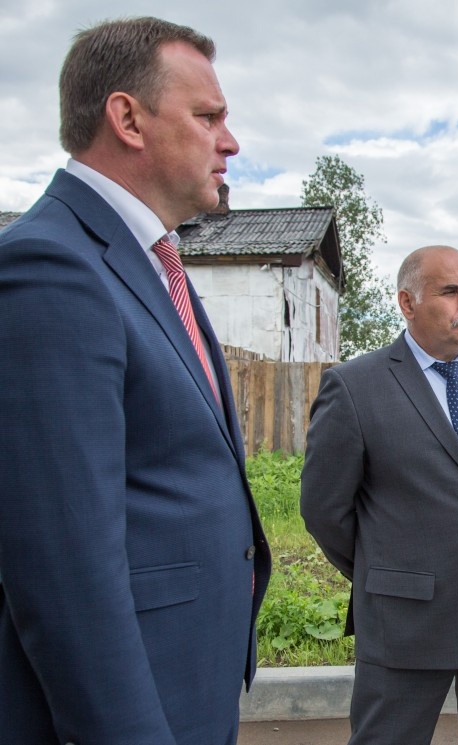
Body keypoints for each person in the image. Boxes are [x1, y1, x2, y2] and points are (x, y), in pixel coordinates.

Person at [0, 17, 270, 745]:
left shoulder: (151, 261)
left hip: (187, 683)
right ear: (127, 118)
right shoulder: (51, 269)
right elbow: (64, 575)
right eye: (208, 116)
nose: (230, 141)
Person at [301, 245, 458, 744]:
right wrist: (387, 569)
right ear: (407, 303)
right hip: (406, 622)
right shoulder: (354, 386)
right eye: (451, 291)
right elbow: (325, 510)